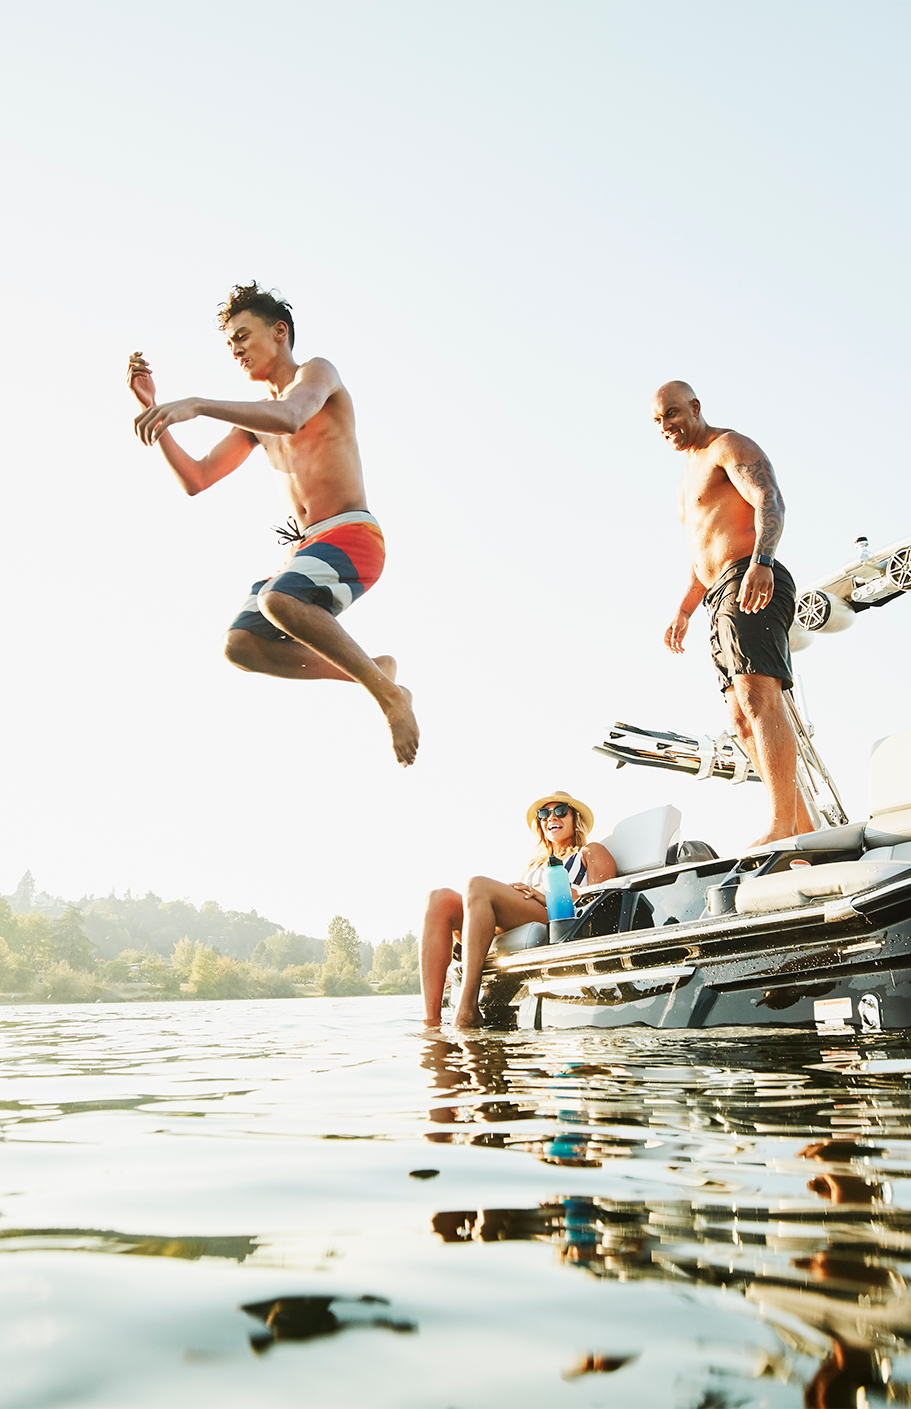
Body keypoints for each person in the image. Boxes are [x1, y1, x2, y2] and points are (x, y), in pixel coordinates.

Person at [126, 283, 419, 766]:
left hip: (352, 535)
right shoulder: (251, 417)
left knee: (278, 600)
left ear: (279, 332)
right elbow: (197, 479)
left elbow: (291, 416)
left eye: (243, 335)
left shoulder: (315, 373)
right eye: (229, 344)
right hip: (306, 549)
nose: (235, 349)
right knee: (241, 645)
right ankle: (377, 674)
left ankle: (387, 697)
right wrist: (153, 414)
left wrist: (197, 403)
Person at [653, 380, 810, 844]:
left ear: (695, 408)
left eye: (674, 414)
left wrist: (761, 562)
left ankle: (782, 825)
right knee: (741, 718)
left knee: (759, 698)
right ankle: (801, 827)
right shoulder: (686, 480)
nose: (667, 426)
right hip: (719, 591)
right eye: (659, 421)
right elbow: (704, 551)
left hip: (751, 576)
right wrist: (684, 609)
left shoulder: (728, 446)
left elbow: (769, 500)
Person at [418, 791, 617, 1027]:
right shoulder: (535, 864)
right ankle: (431, 1021)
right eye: (544, 814)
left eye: (561, 811)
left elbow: (599, 899)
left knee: (477, 884)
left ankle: (466, 1007)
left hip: (557, 917)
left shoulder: (590, 851)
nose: (551, 817)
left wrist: (544, 895)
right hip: (521, 918)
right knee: (438, 899)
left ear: (576, 819)